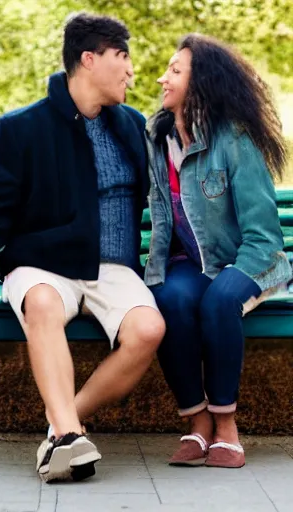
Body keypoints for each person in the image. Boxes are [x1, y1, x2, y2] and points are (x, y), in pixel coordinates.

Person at [0, 12, 165, 482]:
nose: (132, 70)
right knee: (44, 305)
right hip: (41, 265)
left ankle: (60, 429)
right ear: (89, 59)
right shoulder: (22, 128)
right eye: (123, 57)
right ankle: (71, 437)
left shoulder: (132, 125)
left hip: (111, 267)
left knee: (149, 330)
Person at [145, 33, 292, 469]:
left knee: (219, 300)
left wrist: (234, 275)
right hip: (193, 263)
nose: (161, 78)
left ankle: (226, 425)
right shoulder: (157, 140)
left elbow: (264, 234)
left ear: (201, 81)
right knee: (167, 298)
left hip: (252, 258)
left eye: (174, 71)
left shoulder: (234, 139)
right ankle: (197, 421)